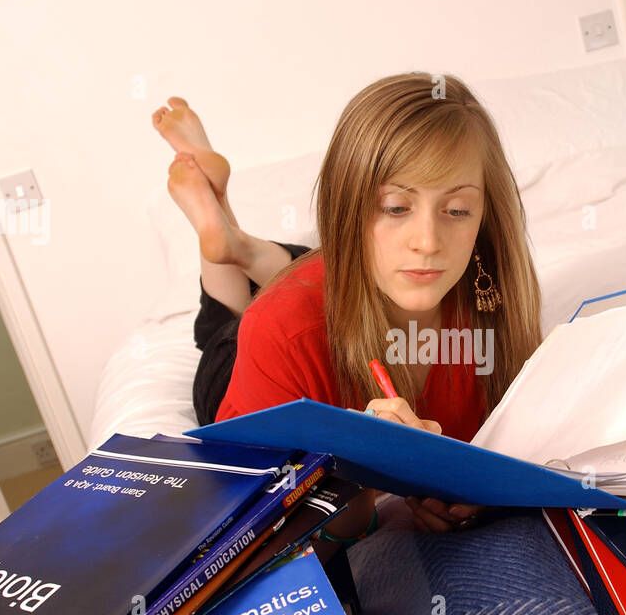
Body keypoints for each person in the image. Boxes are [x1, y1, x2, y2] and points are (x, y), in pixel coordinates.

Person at [152, 76, 543, 536]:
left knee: (334, 266)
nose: (428, 243)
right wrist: (359, 481)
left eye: (457, 210)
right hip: (240, 359)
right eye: (396, 207)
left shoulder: (490, 287)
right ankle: (220, 230)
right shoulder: (282, 329)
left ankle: (245, 247)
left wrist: (474, 493)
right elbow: (259, 528)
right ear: (347, 209)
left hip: (345, 278)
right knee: (221, 323)